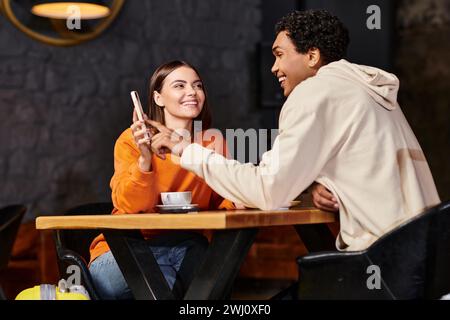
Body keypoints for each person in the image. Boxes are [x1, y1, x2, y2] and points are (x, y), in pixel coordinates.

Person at [147, 10, 441, 252]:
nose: (274, 68)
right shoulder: (365, 89)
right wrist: (329, 189)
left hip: (385, 261)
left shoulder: (315, 92)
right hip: (427, 256)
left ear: (312, 56)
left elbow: (268, 191)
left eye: (280, 55)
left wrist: (183, 149)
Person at [88, 60, 235, 300]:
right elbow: (129, 207)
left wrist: (237, 199)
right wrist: (145, 160)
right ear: (158, 98)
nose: (192, 92)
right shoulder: (129, 141)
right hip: (122, 253)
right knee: (195, 260)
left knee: (198, 268)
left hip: (183, 249)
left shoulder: (211, 144)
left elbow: (226, 198)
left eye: (198, 86)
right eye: (180, 86)